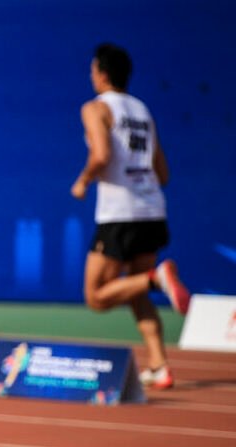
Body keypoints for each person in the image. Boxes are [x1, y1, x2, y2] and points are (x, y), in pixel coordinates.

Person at [71, 43, 190, 389]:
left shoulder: (96, 108)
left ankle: (157, 278)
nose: (90, 74)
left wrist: (82, 181)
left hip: (119, 213)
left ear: (102, 74)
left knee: (96, 295)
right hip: (152, 210)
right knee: (133, 291)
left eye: (93, 69)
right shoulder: (142, 110)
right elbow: (163, 172)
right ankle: (159, 365)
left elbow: (101, 153)